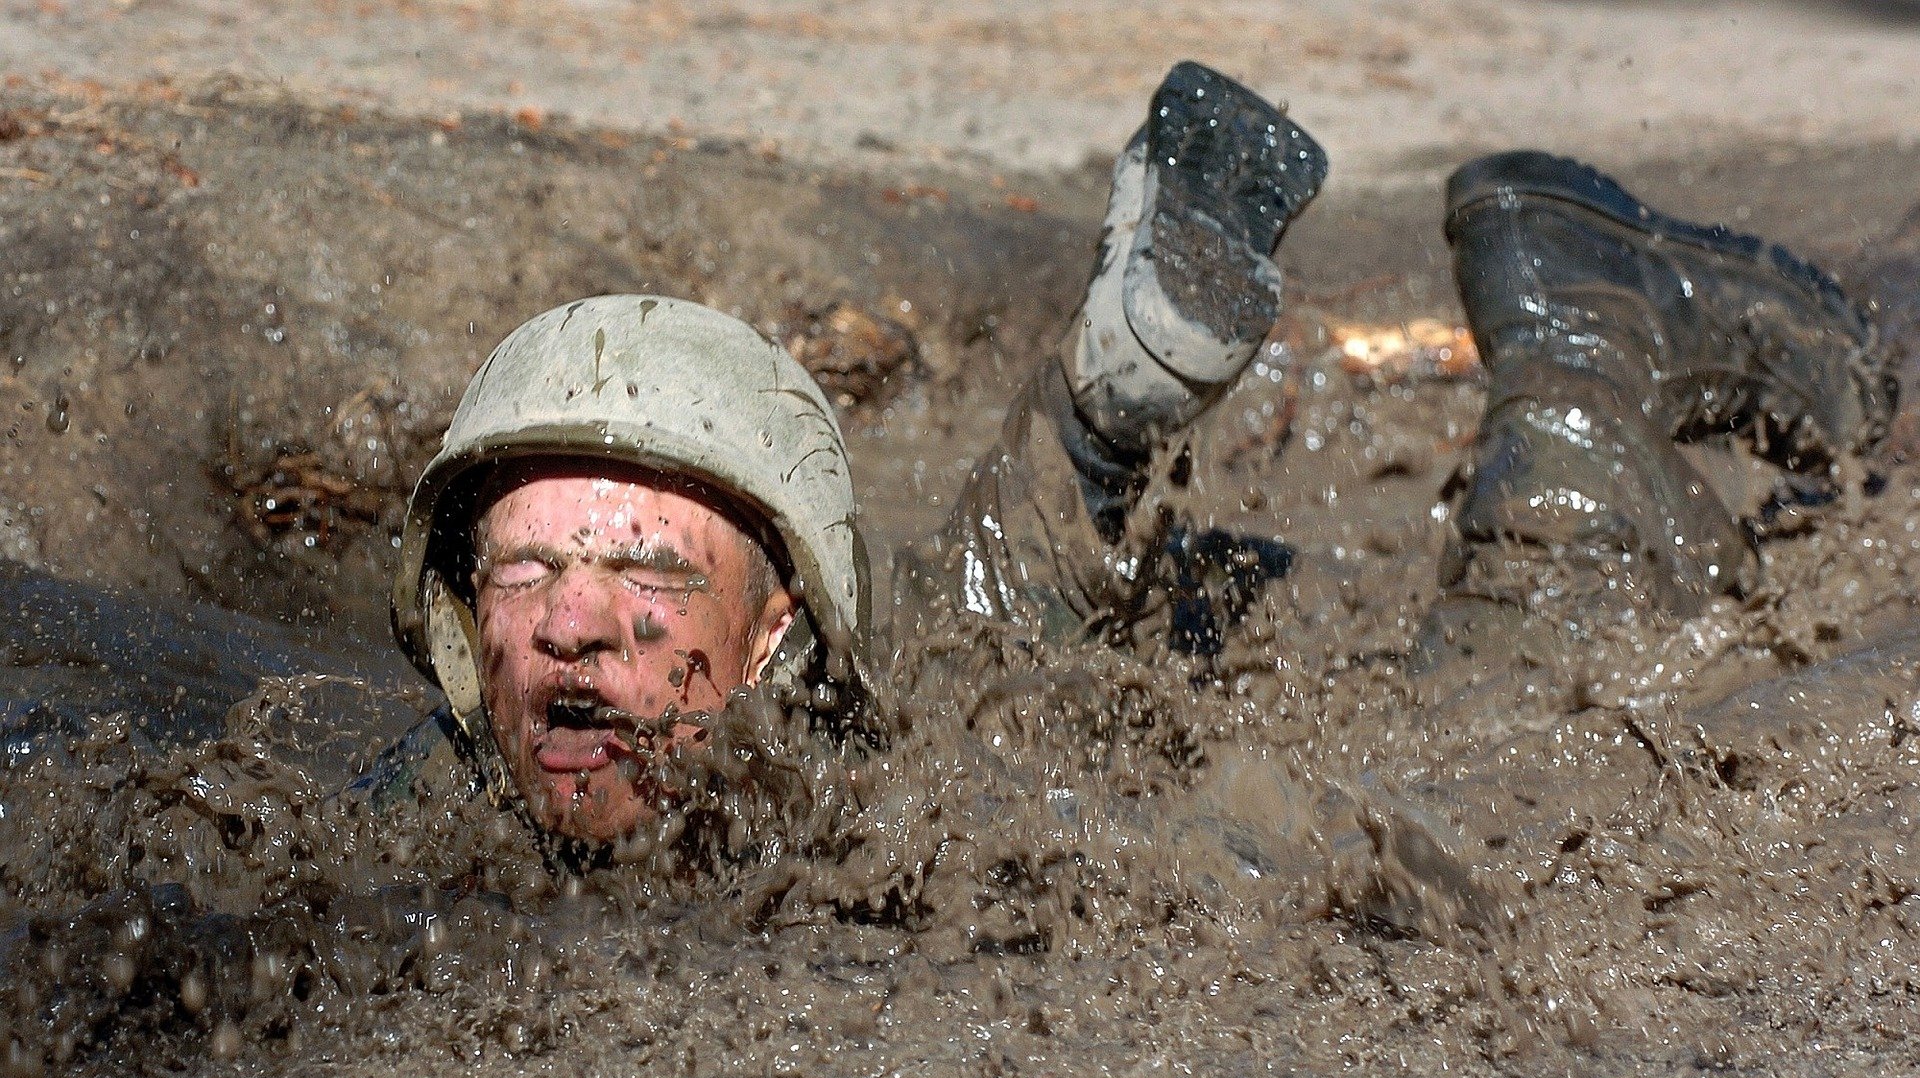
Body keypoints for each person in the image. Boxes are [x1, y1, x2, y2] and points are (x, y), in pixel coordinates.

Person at [364, 61, 1901, 847]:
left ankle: (1582, 370)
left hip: (1279, 696)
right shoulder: (389, 825)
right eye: (524, 566)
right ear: (458, 613)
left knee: (1530, 740)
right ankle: (1118, 422)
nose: (569, 620)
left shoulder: (875, 828)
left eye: (642, 569)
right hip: (1039, 642)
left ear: (772, 628)